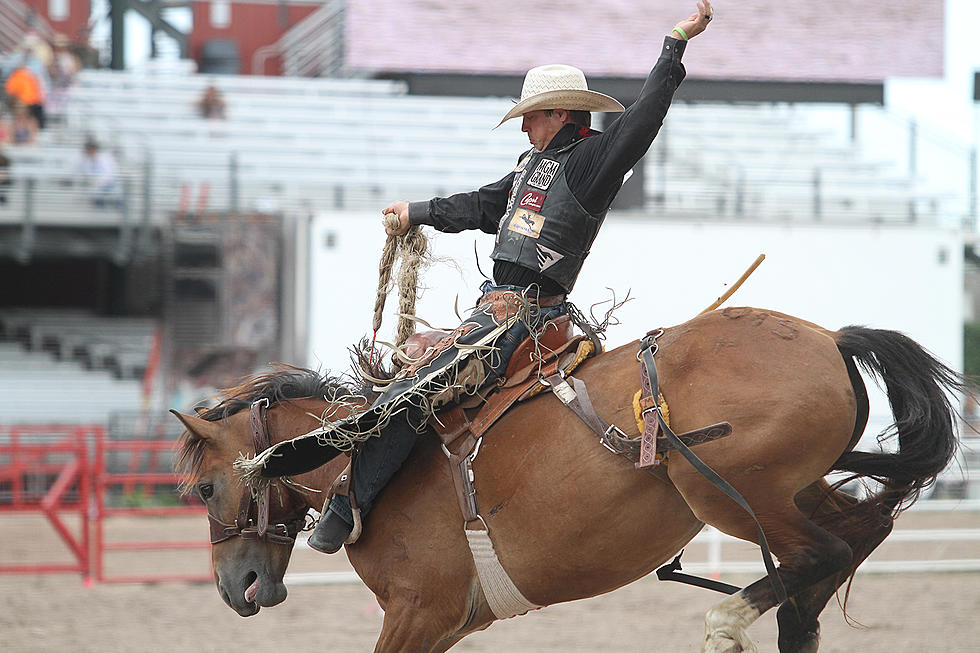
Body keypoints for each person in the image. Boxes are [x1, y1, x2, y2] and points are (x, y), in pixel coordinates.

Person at [246, 2, 714, 553]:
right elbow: (477, 206)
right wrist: (416, 212)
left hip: (528, 318)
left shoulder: (592, 161)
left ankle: (350, 504)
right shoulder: (527, 168)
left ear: (561, 113)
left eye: (531, 115)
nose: (524, 124)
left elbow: (643, 120)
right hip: (494, 311)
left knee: (418, 391)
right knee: (411, 375)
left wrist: (674, 45)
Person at [72, 137, 121, 208]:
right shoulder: (86, 160)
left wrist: (98, 181)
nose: (91, 151)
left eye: (92, 149)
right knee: (99, 202)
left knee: (114, 199)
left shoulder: (104, 158)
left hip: (108, 183)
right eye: (88, 150)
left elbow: (108, 173)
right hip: (96, 186)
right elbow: (75, 166)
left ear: (96, 150)